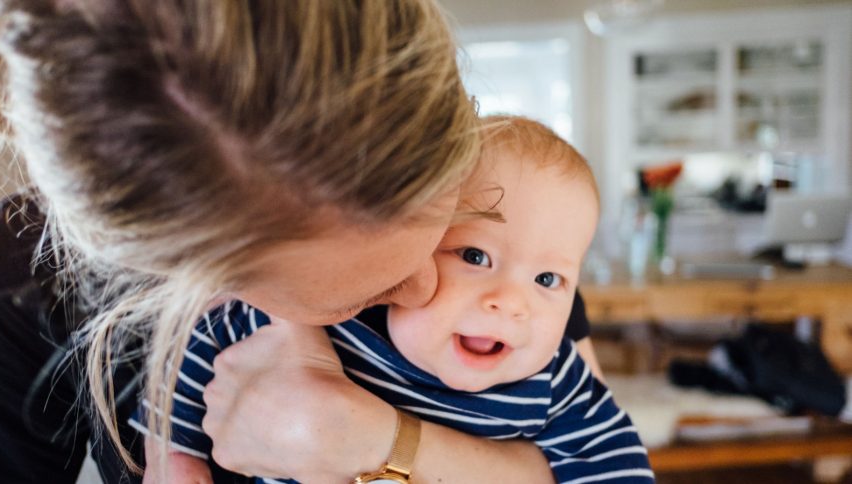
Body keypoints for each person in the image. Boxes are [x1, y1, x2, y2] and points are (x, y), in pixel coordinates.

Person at [0, 1, 599, 482]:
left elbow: (594, 457)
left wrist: (379, 442)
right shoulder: (16, 286)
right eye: (361, 295)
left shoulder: (511, 230)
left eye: (447, 231)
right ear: (194, 281)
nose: (425, 288)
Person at [139, 116, 653, 484]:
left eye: (547, 280)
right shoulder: (340, 315)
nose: (511, 301)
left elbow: (615, 465)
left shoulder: (553, 379)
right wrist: (175, 461)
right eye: (474, 256)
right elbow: (198, 349)